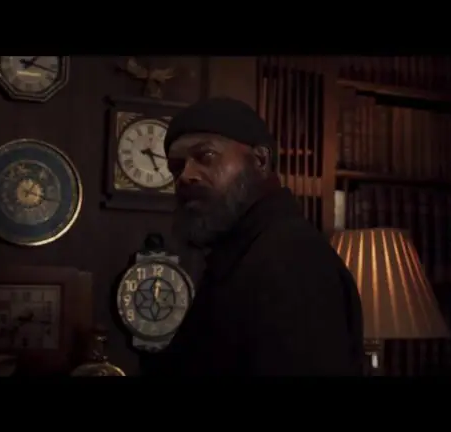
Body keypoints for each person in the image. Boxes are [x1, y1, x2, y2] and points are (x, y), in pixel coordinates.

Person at [149, 96, 364, 376]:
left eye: (206, 157)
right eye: (176, 167)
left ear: (260, 160)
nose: (185, 176)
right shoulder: (240, 253)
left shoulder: (293, 260)